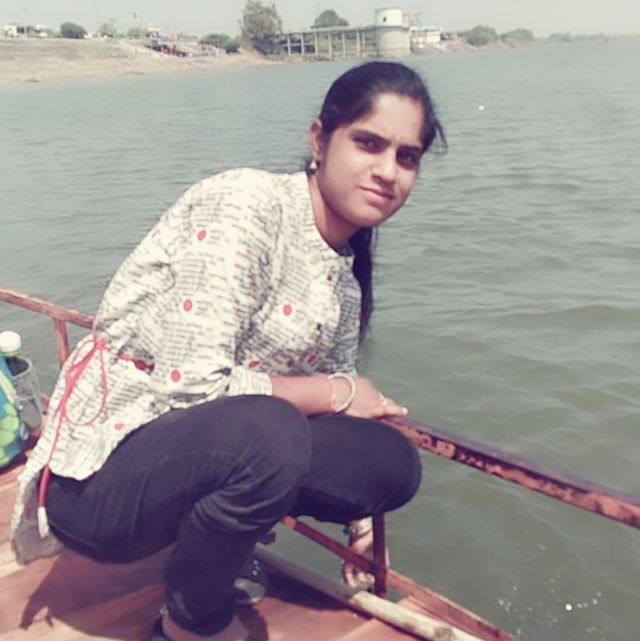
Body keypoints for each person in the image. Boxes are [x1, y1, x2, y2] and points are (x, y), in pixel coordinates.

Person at [11, 61, 445, 641]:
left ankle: (218, 547)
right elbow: (197, 386)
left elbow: (338, 403)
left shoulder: (343, 277)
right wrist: (335, 391)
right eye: (369, 144)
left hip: (205, 454)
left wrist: (361, 523)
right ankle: (190, 624)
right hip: (98, 487)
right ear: (319, 141)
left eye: (407, 157)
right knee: (270, 430)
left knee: (389, 463)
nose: (387, 171)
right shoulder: (246, 206)